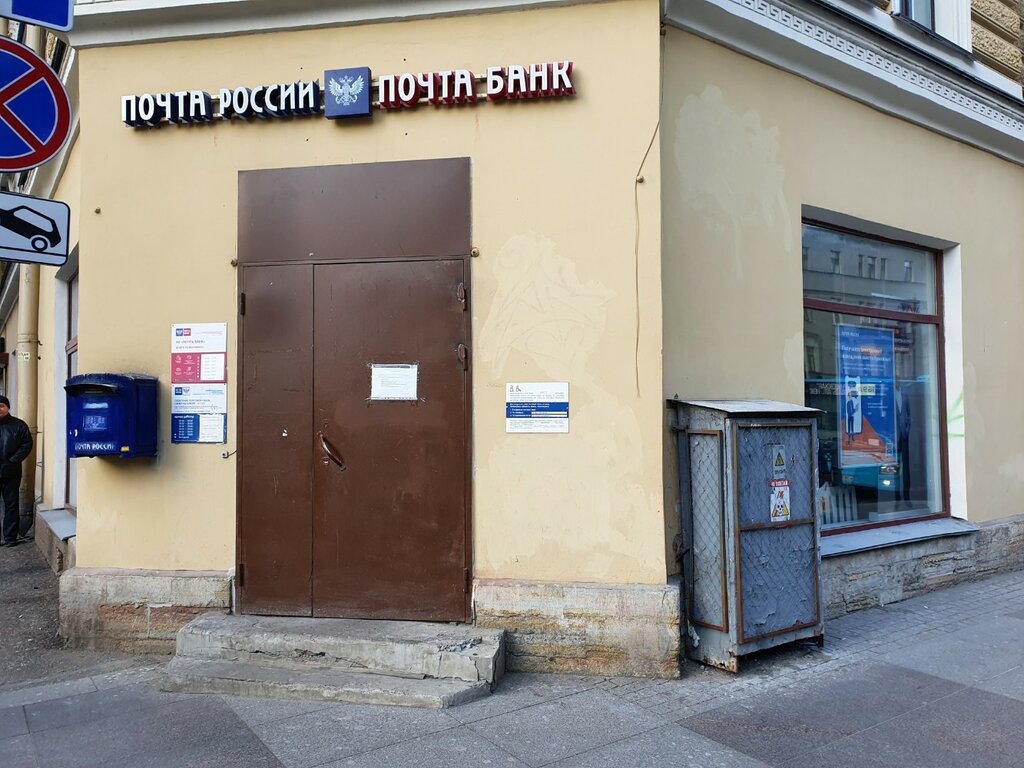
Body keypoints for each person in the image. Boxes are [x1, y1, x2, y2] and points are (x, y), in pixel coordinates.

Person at [0, 395, 32, 547]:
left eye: (1, 406)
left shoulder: (19, 425)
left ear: (8, 408)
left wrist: (13, 460)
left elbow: (27, 444)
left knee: (11, 505)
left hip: (11, 472)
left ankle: (10, 538)